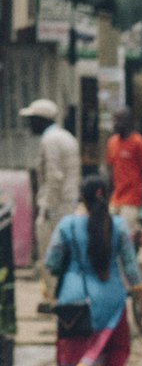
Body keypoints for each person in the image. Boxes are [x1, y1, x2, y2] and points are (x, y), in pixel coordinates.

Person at [46, 169, 142, 366]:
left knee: (77, 356)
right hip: (111, 298)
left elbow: (51, 261)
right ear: (108, 197)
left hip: (73, 300)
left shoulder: (66, 226)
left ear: (82, 198)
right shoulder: (119, 226)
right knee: (120, 347)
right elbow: (132, 269)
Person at [22, 97, 81, 305]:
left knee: (50, 256)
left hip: (56, 208)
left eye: (32, 120)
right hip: (67, 205)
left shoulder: (51, 140)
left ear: (42, 120)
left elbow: (54, 177)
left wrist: (46, 208)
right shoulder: (65, 137)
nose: (29, 125)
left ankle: (57, 300)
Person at [106, 105, 142, 222]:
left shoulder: (138, 142)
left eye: (118, 120)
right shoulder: (112, 142)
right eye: (114, 119)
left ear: (128, 121)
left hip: (131, 198)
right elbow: (111, 168)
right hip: (116, 197)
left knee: (126, 232)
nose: (115, 123)